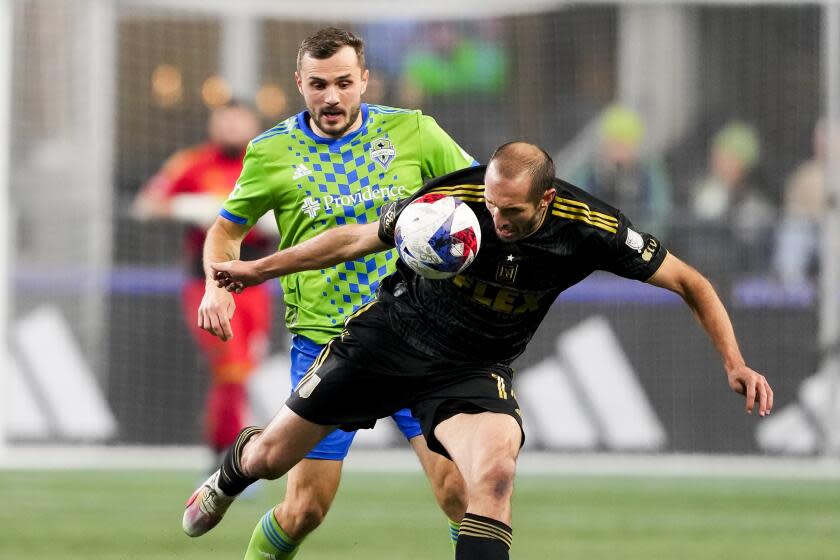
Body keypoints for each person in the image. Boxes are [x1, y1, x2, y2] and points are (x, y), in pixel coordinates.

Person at [185, 142, 774, 560]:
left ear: (545, 202)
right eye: (491, 205)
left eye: (511, 211)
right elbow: (360, 238)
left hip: (470, 369)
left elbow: (692, 282)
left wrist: (735, 361)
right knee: (271, 463)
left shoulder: (590, 227)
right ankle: (232, 471)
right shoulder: (455, 198)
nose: (495, 218)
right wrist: (259, 269)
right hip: (387, 341)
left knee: (491, 478)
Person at [194, 27, 477, 559]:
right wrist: (217, 284)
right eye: (319, 84)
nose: (332, 97)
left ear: (364, 80)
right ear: (299, 82)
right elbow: (224, 232)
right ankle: (231, 475)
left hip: (418, 336)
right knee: (306, 510)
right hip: (328, 343)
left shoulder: (414, 132)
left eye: (344, 83)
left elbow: (478, 194)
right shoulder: (271, 151)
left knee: (462, 492)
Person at [132, 100, 274, 470]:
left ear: (254, 125)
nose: (231, 128)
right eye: (224, 120)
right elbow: (146, 205)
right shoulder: (193, 163)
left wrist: (267, 221)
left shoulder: (269, 163)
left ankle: (226, 456)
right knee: (231, 367)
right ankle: (226, 458)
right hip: (207, 285)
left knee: (241, 371)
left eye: (239, 121)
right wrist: (192, 207)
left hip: (257, 285)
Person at [569, 104, 673, 237]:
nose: (620, 151)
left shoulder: (649, 173)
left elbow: (659, 212)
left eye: (625, 145)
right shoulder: (590, 173)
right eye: (614, 144)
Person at [689, 121, 775, 277]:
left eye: (726, 159)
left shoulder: (756, 201)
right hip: (705, 267)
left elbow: (754, 239)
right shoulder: (705, 192)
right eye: (717, 157)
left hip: (741, 270)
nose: (717, 163)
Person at [773, 119, 831, 285]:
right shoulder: (805, 173)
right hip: (811, 232)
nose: (824, 144)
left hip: (834, 234)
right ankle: (792, 290)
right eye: (820, 139)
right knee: (794, 231)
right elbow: (791, 206)